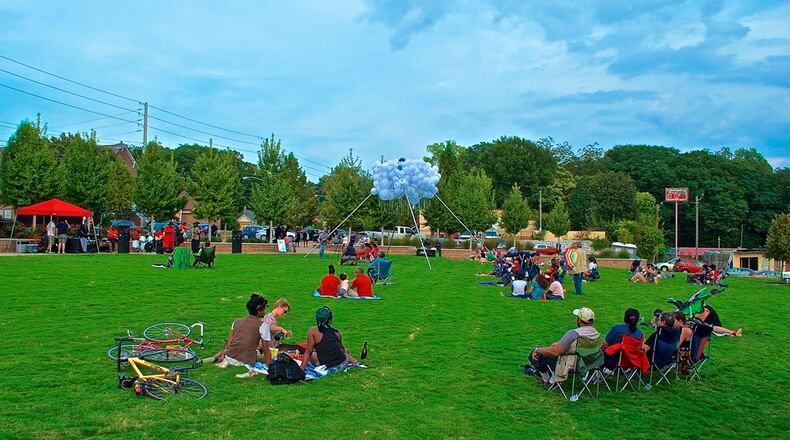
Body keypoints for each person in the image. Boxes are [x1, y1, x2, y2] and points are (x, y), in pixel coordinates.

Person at [524, 308, 600, 382]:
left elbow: (555, 352)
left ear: (579, 320)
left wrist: (538, 350)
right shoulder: (595, 334)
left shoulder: (574, 334)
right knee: (551, 350)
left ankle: (547, 379)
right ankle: (550, 377)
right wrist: (558, 345)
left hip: (569, 364)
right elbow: (578, 348)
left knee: (535, 354)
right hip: (588, 363)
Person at [214, 293, 274, 378]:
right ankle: (251, 370)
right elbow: (266, 349)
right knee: (270, 356)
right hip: (245, 360)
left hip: (229, 356)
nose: (265, 311)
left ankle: (226, 362)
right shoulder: (263, 325)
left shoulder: (236, 322)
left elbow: (230, 342)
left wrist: (224, 354)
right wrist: (271, 366)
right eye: (264, 309)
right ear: (259, 310)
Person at [300, 306, 359, 371]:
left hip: (327, 366)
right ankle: (356, 363)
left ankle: (356, 363)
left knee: (311, 354)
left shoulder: (313, 331)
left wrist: (301, 370)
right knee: (344, 351)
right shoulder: (337, 332)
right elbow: (341, 350)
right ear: (330, 319)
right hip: (343, 364)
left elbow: (309, 352)